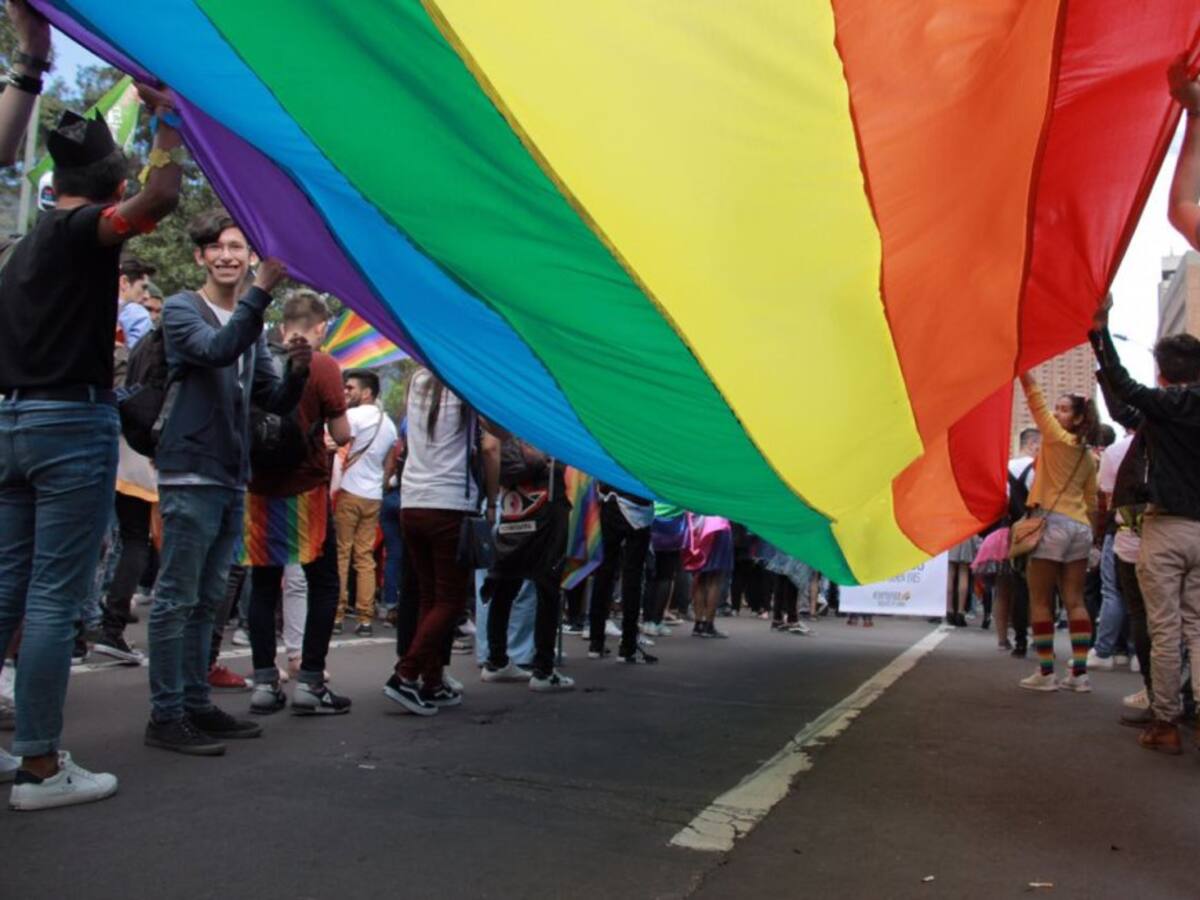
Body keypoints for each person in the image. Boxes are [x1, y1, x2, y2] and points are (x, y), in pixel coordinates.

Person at [0, 0, 184, 810]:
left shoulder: (19, 252)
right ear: (107, 183)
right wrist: (169, 129)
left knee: (7, 589)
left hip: (9, 422)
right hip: (67, 426)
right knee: (51, 597)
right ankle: (39, 764)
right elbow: (160, 201)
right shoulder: (82, 236)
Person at [145, 209, 307, 756]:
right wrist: (260, 294)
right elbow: (216, 350)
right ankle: (165, 714)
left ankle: (195, 704)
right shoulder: (181, 309)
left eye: (237, 246)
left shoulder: (250, 323)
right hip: (188, 469)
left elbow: (273, 400)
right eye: (216, 247)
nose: (228, 255)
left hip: (232, 476)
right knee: (176, 597)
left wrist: (300, 370)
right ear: (200, 256)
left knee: (208, 599)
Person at [1090, 288, 1200, 757]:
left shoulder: (1169, 406)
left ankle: (1165, 722)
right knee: (1199, 626)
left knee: (1164, 626)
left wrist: (1100, 334)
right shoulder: (1173, 409)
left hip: (1168, 527)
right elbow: (1130, 404)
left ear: (1164, 373)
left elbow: (1125, 392)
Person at [244, 291, 353, 716]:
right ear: (320, 326)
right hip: (305, 489)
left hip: (257, 487)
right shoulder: (323, 365)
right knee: (323, 582)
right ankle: (310, 682)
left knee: (264, 585)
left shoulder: (257, 355)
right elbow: (342, 434)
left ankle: (264, 684)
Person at [383, 369, 499, 715]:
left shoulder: (416, 380)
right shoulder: (468, 381)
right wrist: (492, 502)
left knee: (429, 598)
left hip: (412, 502)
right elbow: (493, 443)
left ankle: (432, 681)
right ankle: (405, 676)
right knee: (450, 602)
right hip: (449, 504)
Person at [1015, 372, 1100, 693]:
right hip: (1080, 528)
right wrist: (1093, 535)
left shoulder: (1054, 438)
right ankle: (1079, 674)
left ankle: (1046, 671)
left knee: (1040, 601)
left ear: (1077, 419)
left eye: (1063, 409)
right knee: (1075, 600)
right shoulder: (1089, 456)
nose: (1056, 412)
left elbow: (1034, 400)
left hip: (1050, 525)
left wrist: (1024, 370)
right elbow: (1091, 501)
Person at [478, 436, 574, 691]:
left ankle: (496, 661)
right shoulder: (548, 423)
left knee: (504, 586)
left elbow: (491, 449)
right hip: (546, 511)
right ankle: (544, 670)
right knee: (547, 589)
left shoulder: (507, 421)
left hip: (512, 512)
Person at [334, 369, 398, 636]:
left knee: (341, 553)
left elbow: (336, 445)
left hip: (348, 491)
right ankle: (364, 618)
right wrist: (380, 483)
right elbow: (391, 463)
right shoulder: (390, 423)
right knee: (365, 557)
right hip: (373, 496)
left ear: (367, 392)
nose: (346, 392)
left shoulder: (353, 416)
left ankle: (336, 615)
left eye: (350, 388)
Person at [588, 484, 657, 663]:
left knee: (604, 572)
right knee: (632, 576)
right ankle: (627, 647)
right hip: (638, 506)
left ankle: (596, 642)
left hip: (609, 500)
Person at [995, 428, 1039, 655]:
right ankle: (1032, 637)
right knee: (1034, 589)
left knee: (1004, 588)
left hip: (1006, 533)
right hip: (1031, 532)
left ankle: (1005, 639)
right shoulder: (1036, 468)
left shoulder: (1005, 467)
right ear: (1033, 444)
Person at [684, 514, 734, 639]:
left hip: (697, 525)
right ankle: (708, 625)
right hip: (717, 524)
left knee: (700, 578)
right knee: (715, 579)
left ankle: (698, 624)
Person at [116, 256, 155, 349]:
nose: (147, 296)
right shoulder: (137, 314)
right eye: (143, 287)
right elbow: (141, 359)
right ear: (124, 282)